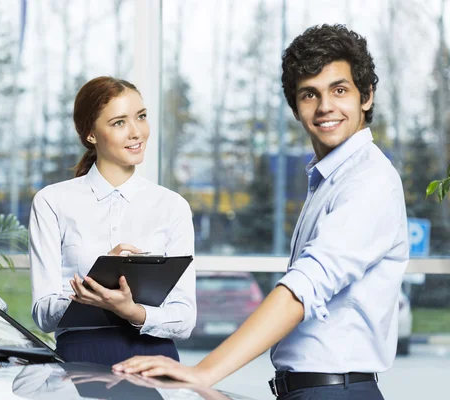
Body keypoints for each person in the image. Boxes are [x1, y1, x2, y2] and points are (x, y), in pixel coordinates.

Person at [114, 24, 409, 400]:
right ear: (295, 106)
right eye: (309, 94)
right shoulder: (331, 178)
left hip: (336, 392)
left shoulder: (369, 180)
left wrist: (203, 372)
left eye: (339, 90)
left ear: (366, 96)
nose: (325, 107)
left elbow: (304, 287)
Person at [28, 76, 196, 366]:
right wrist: (96, 285)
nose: (136, 132)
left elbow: (184, 319)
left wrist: (133, 311)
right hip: (80, 359)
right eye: (119, 122)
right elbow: (43, 313)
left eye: (141, 117)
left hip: (155, 360)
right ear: (90, 134)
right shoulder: (52, 202)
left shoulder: (172, 207)